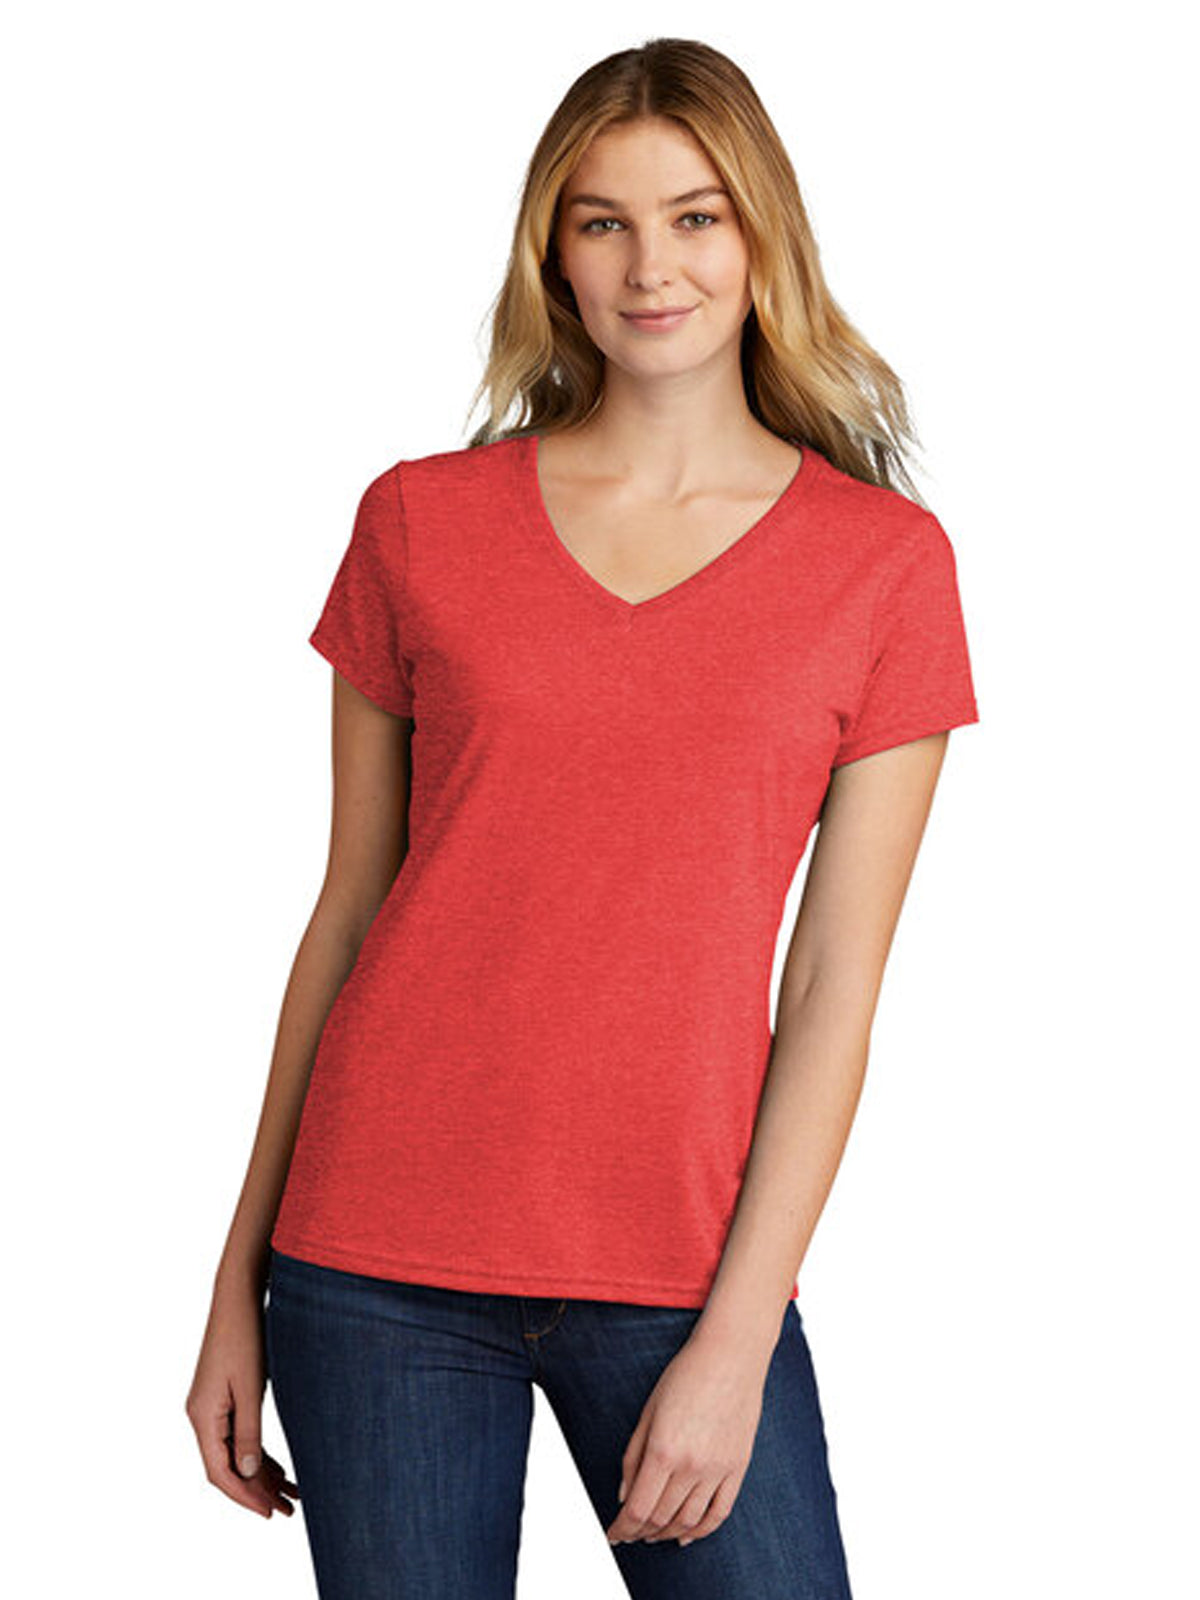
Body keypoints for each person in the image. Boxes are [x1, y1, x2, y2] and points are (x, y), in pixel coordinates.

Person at [185, 35, 979, 1600]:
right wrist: (235, 1279)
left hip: (681, 1266)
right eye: (602, 221)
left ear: (762, 235)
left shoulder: (883, 566)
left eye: (695, 217)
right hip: (373, 1258)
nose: (650, 265)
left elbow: (834, 985)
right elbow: (350, 913)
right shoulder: (419, 521)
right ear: (553, 253)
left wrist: (738, 1339)